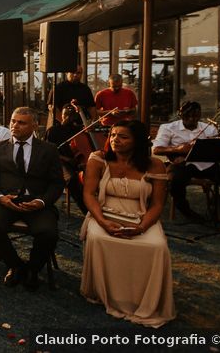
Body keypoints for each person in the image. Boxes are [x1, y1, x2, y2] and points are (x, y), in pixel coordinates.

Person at [80, 120, 174, 328]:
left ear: (138, 141)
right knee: (98, 237)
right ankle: (109, 295)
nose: (115, 140)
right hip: (104, 212)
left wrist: (142, 227)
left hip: (140, 215)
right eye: (113, 135)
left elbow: (158, 204)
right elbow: (88, 194)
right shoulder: (98, 159)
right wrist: (103, 222)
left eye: (123, 137)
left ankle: (142, 298)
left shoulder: (154, 164)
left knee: (156, 246)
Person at [0, 107, 64, 291]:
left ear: (35, 125)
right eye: (13, 121)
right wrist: (0, 198)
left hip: (37, 202)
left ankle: (33, 270)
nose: (15, 125)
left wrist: (41, 202)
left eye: (21, 122)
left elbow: (57, 183)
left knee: (48, 233)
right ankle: (16, 265)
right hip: (6, 201)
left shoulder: (49, 149)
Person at [152, 101, 220, 222]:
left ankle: (218, 206)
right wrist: (179, 149)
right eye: (187, 116)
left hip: (206, 165)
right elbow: (157, 149)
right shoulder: (168, 128)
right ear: (180, 115)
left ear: (200, 115)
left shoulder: (209, 129)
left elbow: (218, 150)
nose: (191, 119)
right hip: (182, 165)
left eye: (195, 116)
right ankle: (187, 212)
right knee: (175, 182)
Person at [44, 104, 87, 214]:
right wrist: (66, 159)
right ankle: (87, 211)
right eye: (66, 115)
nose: (68, 118)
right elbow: (48, 153)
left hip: (78, 162)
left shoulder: (80, 130)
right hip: (59, 162)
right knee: (73, 180)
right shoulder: (53, 131)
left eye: (71, 115)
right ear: (62, 115)